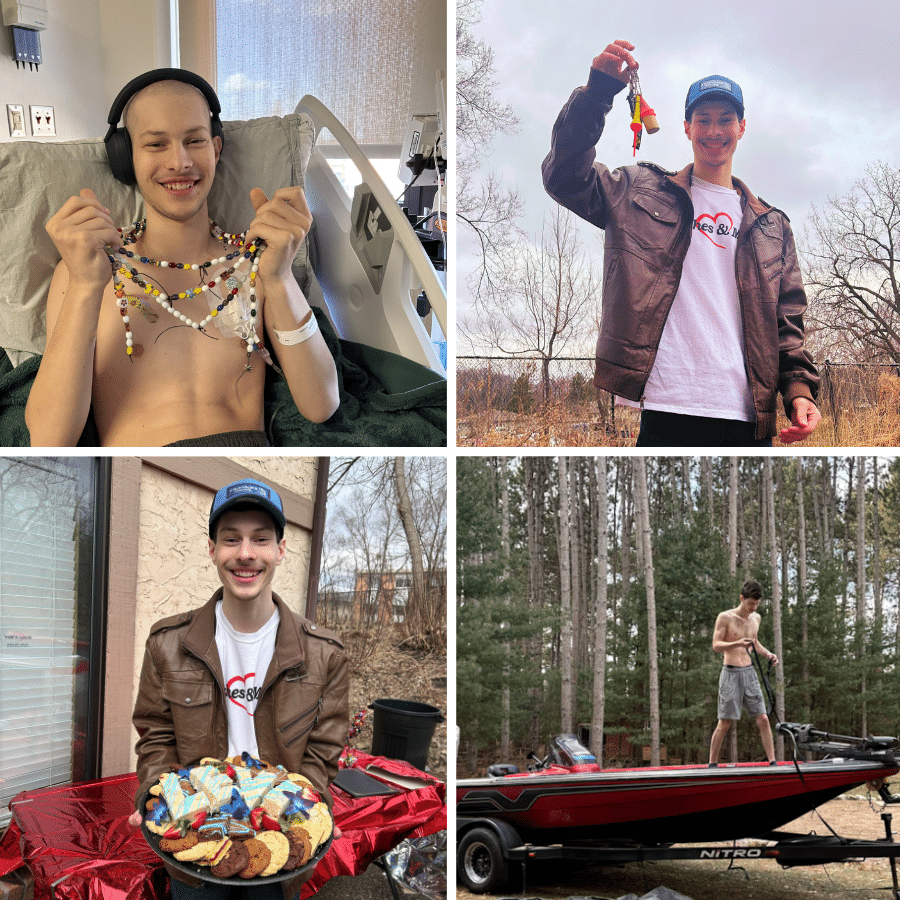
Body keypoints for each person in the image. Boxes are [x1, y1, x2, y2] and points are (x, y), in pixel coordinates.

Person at [26, 69, 340, 447]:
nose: (180, 162)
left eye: (194, 141)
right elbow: (49, 438)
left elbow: (322, 404)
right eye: (156, 145)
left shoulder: (254, 263)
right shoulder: (86, 271)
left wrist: (281, 278)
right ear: (126, 158)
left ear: (216, 149)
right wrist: (85, 285)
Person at [542, 40, 821, 447]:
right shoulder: (637, 191)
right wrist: (598, 93)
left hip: (746, 414)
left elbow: (787, 327)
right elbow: (563, 177)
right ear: (686, 128)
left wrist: (798, 391)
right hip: (667, 406)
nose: (714, 130)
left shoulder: (772, 226)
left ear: (741, 127)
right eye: (702, 119)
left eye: (725, 119)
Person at [129, 477, 349, 898]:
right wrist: (156, 798)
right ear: (212, 550)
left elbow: (323, 752)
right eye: (231, 539)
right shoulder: (167, 643)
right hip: (196, 841)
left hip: (275, 848)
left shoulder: (325, 655)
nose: (245, 554)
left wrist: (301, 817)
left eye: (261, 539)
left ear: (281, 550)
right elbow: (156, 735)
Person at [708, 580, 778, 766]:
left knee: (763, 718)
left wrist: (768, 654)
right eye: (750, 604)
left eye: (756, 604)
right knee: (725, 722)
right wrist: (737, 643)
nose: (753, 608)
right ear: (741, 599)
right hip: (730, 673)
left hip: (749, 672)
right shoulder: (725, 617)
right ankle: (712, 764)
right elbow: (716, 645)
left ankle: (773, 762)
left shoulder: (756, 618)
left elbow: (754, 642)